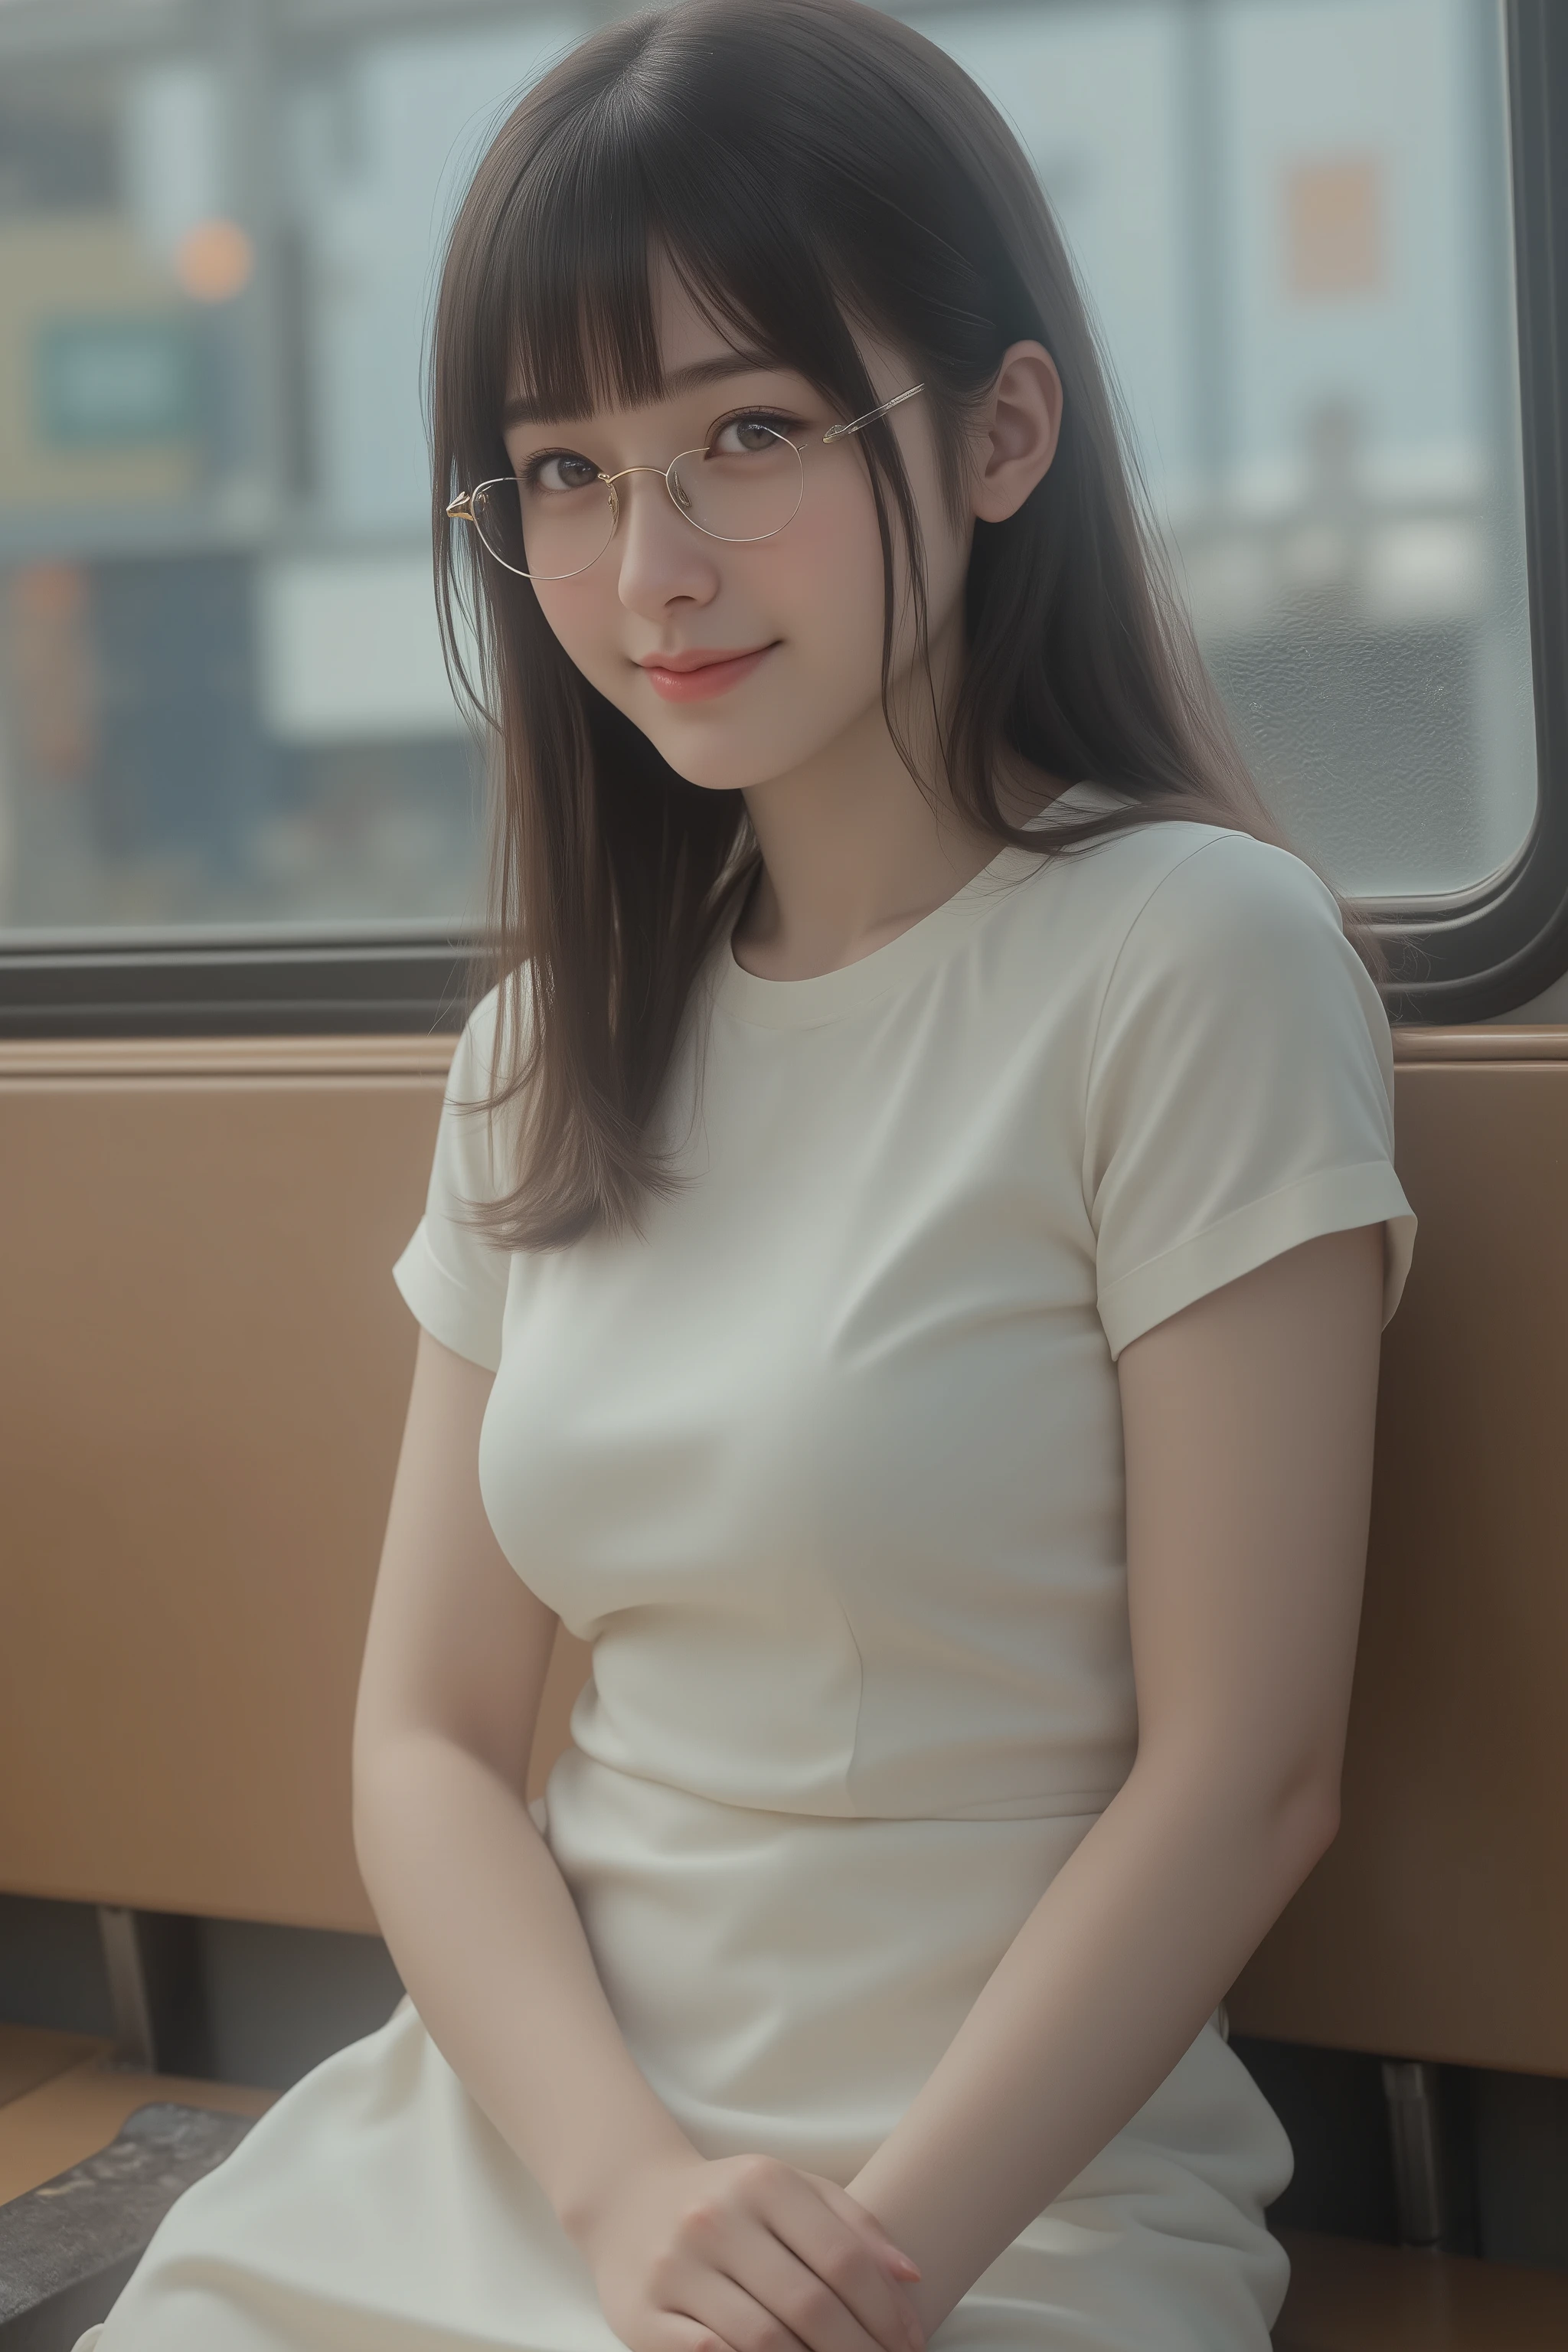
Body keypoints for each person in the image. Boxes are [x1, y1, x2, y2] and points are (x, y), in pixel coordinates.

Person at [80, 4, 1416, 2347]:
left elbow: (1247, 1778)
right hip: (526, 2155)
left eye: (752, 435)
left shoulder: (1188, 957)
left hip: (991, 2207)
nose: (649, 566)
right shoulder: (544, 1051)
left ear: (1005, 433)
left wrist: (840, 2280)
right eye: (565, 473)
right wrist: (619, 2197)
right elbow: (426, 1747)